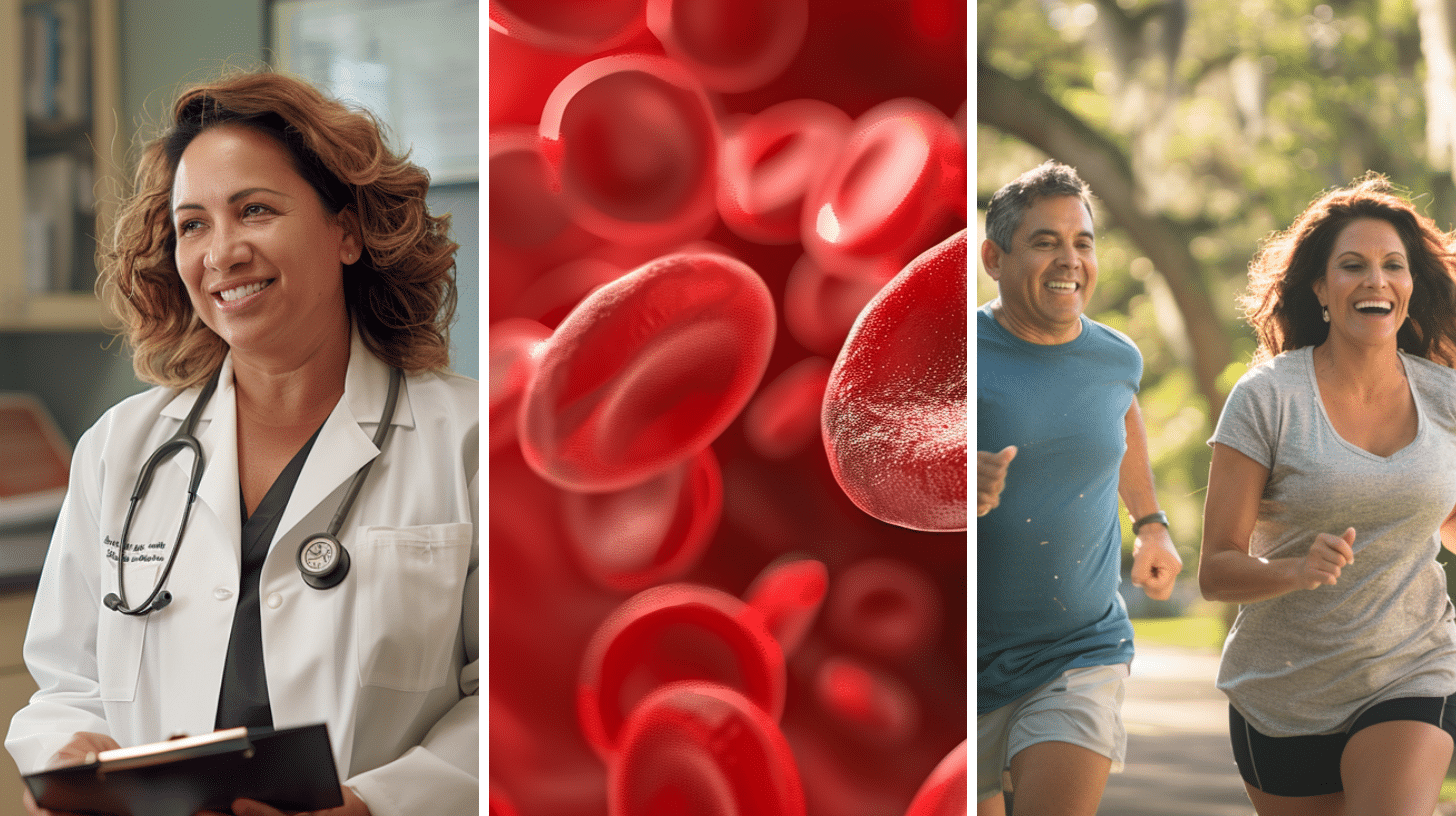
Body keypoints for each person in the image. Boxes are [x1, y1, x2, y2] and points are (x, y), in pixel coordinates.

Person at [5, 70, 478, 816]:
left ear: (346, 231)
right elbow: (68, 686)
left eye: (253, 210)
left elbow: (515, 697)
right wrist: (71, 755)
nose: (221, 253)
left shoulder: (469, 442)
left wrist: (378, 804)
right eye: (193, 224)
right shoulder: (120, 450)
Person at [1199, 174, 1456, 815]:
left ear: (1410, 285)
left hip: (1411, 668)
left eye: (1392, 265)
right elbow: (1216, 571)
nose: (1376, 280)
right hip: (1281, 693)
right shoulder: (1267, 399)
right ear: (1320, 287)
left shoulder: (1447, 398)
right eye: (1353, 266)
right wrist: (1295, 569)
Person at [976, 161, 1182, 816]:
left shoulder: (1117, 356)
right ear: (994, 256)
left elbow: (1121, 417)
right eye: (1045, 241)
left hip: (1081, 650)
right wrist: (947, 473)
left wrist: (1152, 524)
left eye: (1083, 241)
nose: (1071, 260)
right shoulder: (956, 353)